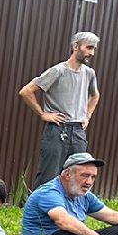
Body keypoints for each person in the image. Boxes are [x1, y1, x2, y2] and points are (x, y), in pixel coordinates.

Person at [19, 31, 101, 186]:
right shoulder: (58, 71)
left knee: (78, 178)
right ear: (76, 47)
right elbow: (26, 91)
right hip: (57, 131)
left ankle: (67, 204)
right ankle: (41, 203)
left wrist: (87, 116)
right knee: (49, 177)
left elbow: (95, 95)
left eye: (93, 49)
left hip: (78, 133)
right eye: (89, 48)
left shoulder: (89, 73)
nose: (92, 53)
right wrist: (43, 114)